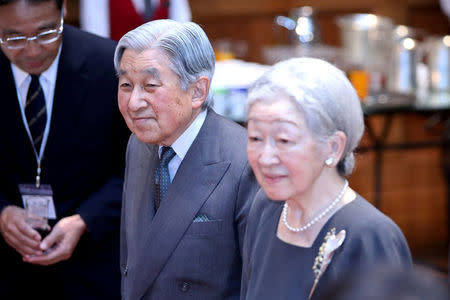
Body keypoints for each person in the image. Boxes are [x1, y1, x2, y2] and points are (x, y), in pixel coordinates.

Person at [241, 57, 412, 300]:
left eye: (284, 140)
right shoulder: (266, 208)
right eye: (256, 138)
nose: (265, 158)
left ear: (333, 147)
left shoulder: (370, 236)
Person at [115, 19, 259, 299]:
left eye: (150, 85)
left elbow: (255, 284)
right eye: (126, 85)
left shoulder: (244, 161)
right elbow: (131, 260)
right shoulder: (138, 145)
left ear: (197, 91)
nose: (134, 103)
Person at [0, 0, 129, 299]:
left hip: (94, 265)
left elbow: (136, 166)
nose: (32, 51)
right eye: (14, 38)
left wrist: (86, 220)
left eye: (46, 32)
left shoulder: (108, 64)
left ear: (63, 11)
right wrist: (2, 212)